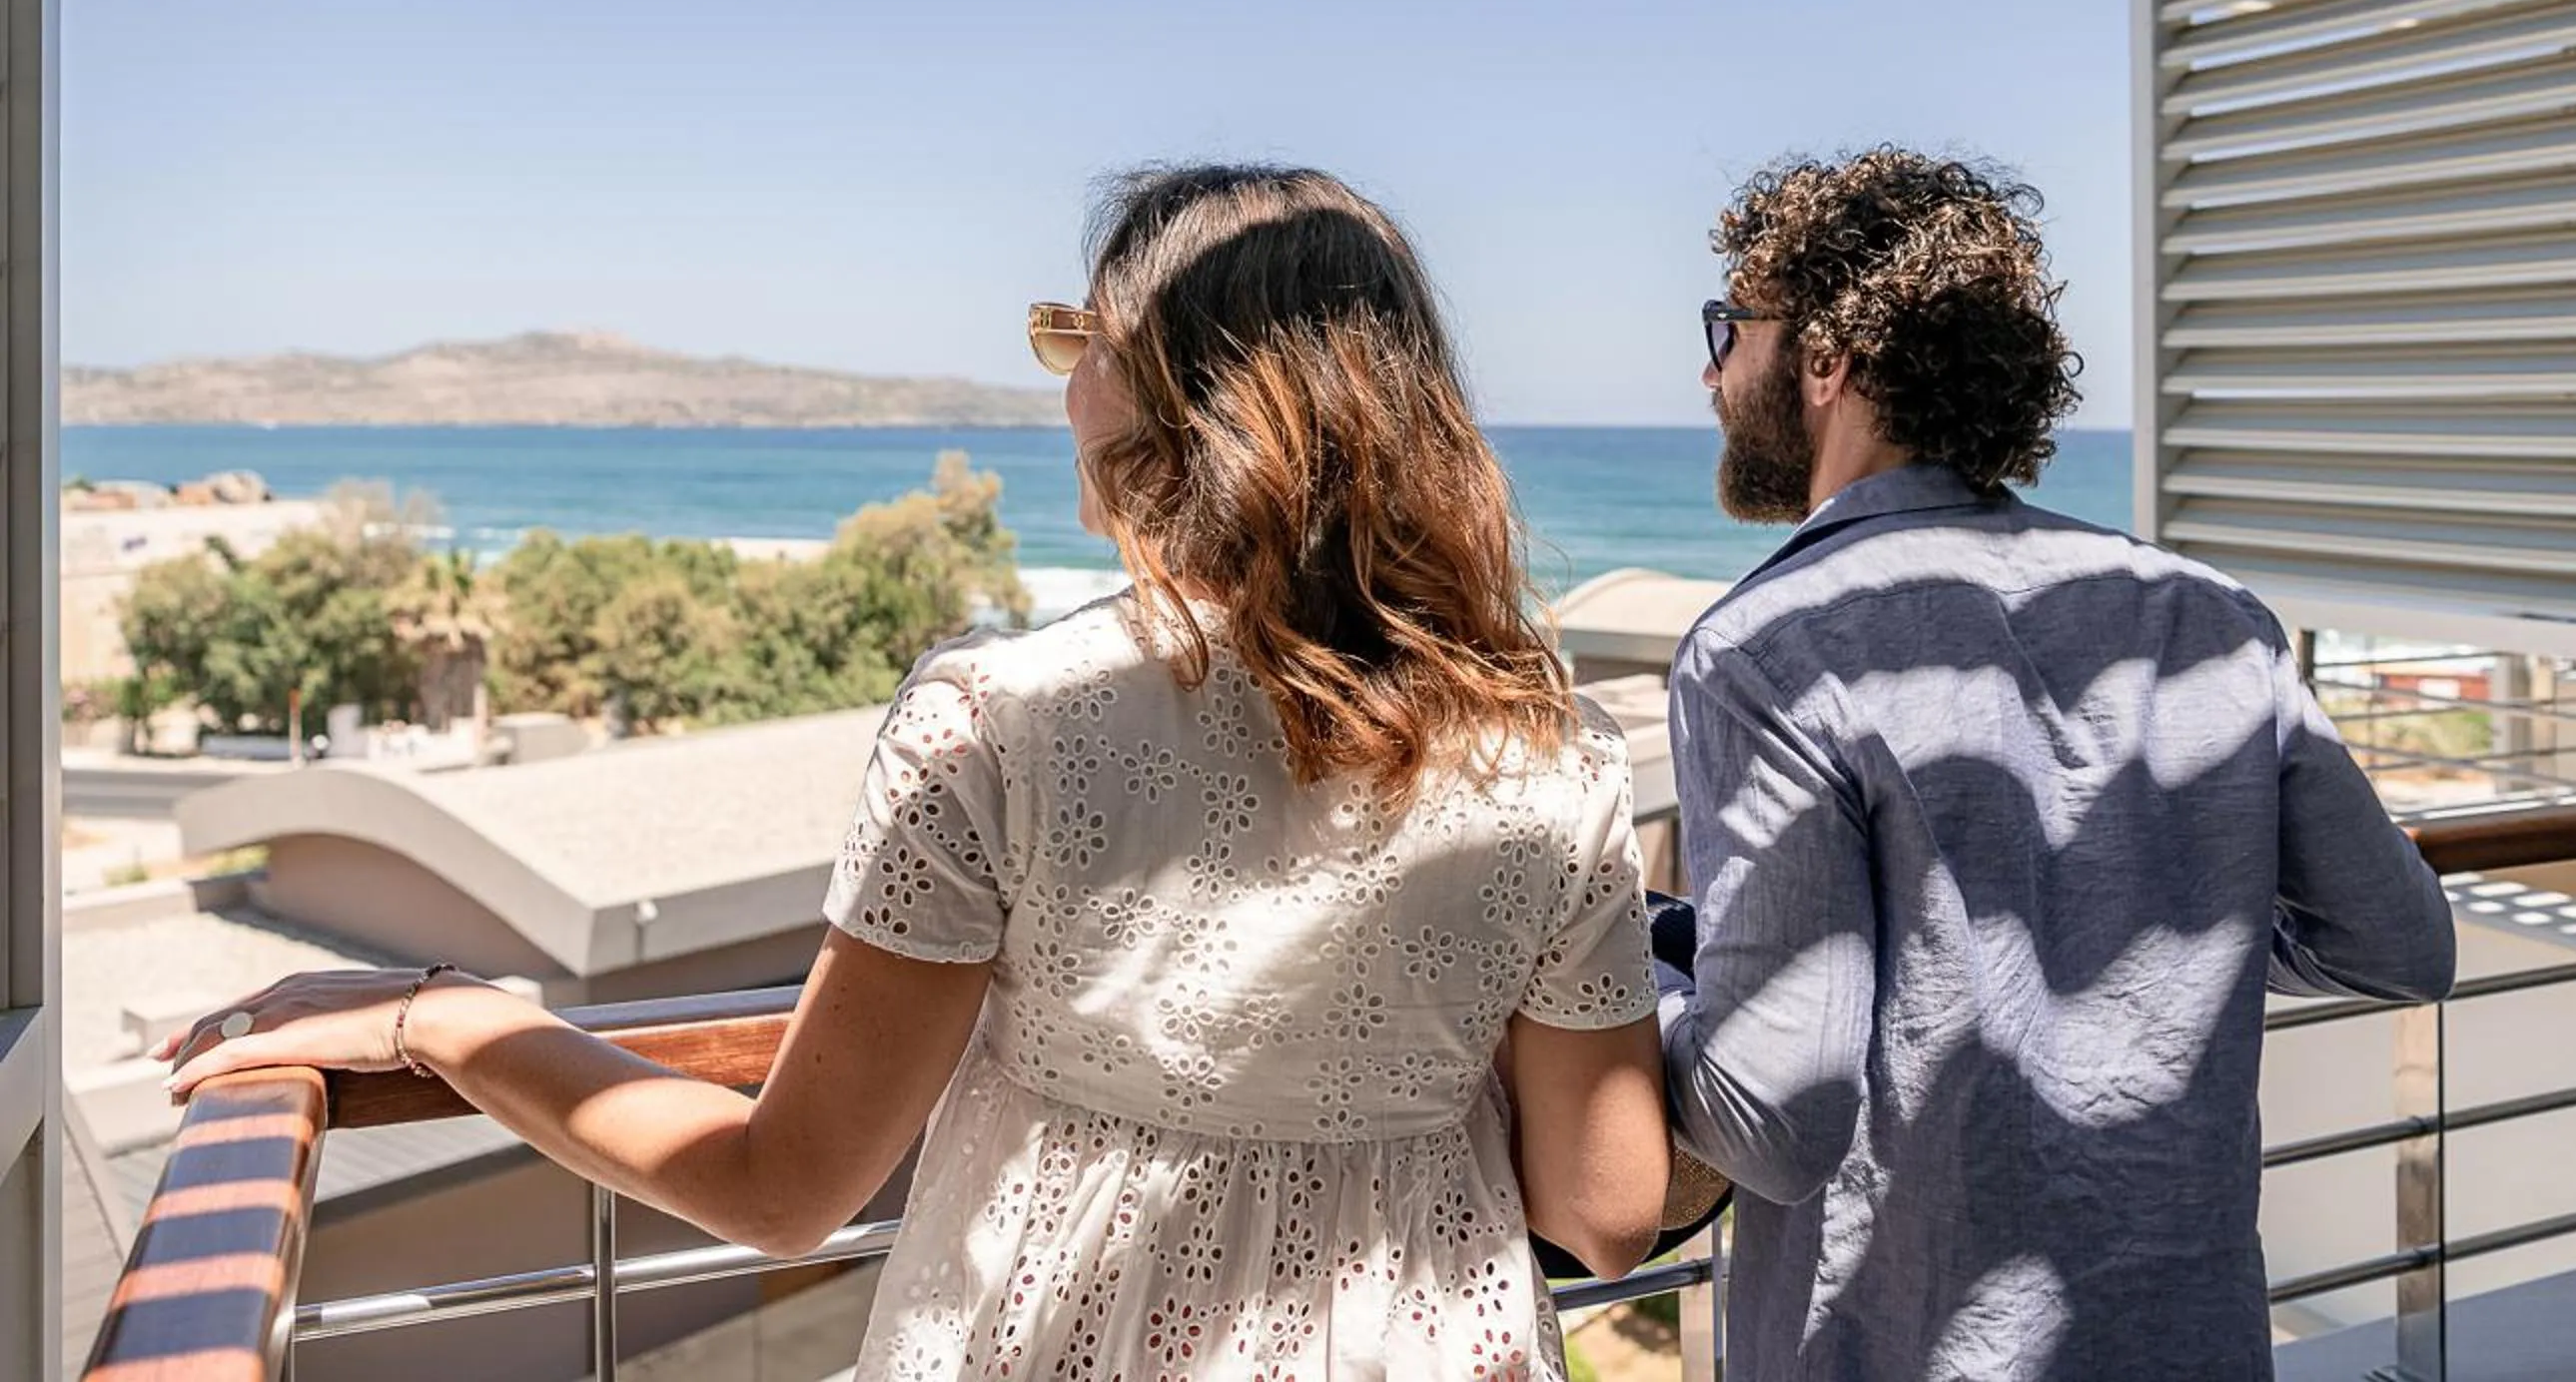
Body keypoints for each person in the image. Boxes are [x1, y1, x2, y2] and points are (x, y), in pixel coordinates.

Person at [166, 164, 1670, 1381]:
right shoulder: (1557, 755)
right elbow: (1605, 1215)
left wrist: (459, 1021)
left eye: (1082, 342)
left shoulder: (1001, 724)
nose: (1062, 385)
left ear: (1171, 393)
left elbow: (784, 1188)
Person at [1662, 148, 2457, 1382]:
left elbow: (1775, 1120)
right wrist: (2158, 909)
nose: (1711, 369)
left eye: (1731, 327)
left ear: (1827, 359)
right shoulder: (2206, 615)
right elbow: (2402, 942)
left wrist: (1643, 1003)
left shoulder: (1767, 648)